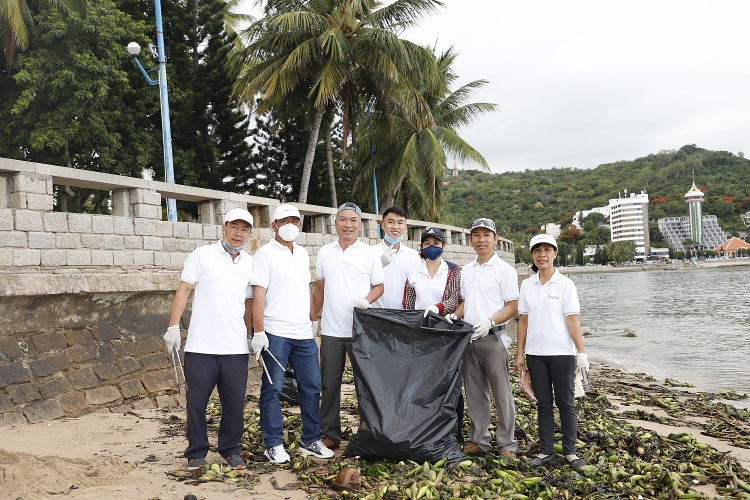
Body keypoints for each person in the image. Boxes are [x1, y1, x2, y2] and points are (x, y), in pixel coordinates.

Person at [164, 208, 254, 472]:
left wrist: (251, 334)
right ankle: (196, 452)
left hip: (235, 348)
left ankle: (230, 450)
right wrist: (172, 327)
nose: (239, 233)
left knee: (235, 404)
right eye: (234, 227)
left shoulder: (250, 262)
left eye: (244, 229)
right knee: (196, 403)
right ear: (223, 228)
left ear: (249, 234)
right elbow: (184, 291)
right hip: (201, 346)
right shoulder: (201, 255)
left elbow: (249, 303)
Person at [250, 204, 335, 463]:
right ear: (274, 225)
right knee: (272, 389)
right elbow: (258, 293)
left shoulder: (302, 253)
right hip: (275, 332)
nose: (290, 225)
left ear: (300, 225)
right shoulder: (264, 254)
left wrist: (312, 320)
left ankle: (311, 439)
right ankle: (273, 443)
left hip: (302, 334)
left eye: (295, 221)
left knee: (312, 386)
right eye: (284, 220)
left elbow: (305, 289)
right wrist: (259, 331)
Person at [310, 202, 385, 450]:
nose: (348, 225)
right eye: (343, 220)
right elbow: (319, 289)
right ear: (336, 223)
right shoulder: (325, 252)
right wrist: (311, 318)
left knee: (365, 384)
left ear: (360, 225)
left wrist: (367, 300)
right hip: (331, 330)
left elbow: (379, 287)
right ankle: (330, 433)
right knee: (329, 384)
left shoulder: (370, 253)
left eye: (353, 220)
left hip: (361, 331)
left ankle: (367, 431)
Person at [513, 234, 588, 470]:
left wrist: (581, 353)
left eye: (547, 250)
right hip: (536, 354)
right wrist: (519, 354)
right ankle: (546, 451)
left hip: (562, 353)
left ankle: (570, 452)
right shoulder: (527, 284)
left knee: (566, 403)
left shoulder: (565, 284)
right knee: (543, 404)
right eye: (537, 250)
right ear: (532, 255)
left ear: (555, 254)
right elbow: (523, 321)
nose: (542, 254)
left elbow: (572, 320)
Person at [458, 217, 519, 459]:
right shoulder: (466, 270)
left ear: (495, 238)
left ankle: (507, 443)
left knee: (501, 392)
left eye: (486, 235)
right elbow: (465, 303)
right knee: (474, 392)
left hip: (492, 338)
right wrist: (454, 316)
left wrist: (491, 321)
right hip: (469, 337)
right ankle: (479, 440)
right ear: (471, 240)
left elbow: (512, 305)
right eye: (476, 235)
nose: (481, 240)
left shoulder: (505, 270)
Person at [403, 227, 464, 443]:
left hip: (446, 334)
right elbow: (408, 304)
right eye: (427, 244)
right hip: (420, 335)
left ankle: (455, 432)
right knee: (422, 383)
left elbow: (453, 298)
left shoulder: (454, 271)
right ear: (421, 246)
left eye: (436, 244)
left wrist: (439, 308)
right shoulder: (414, 272)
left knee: (449, 382)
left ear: (444, 246)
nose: (431, 248)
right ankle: (424, 430)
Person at [371, 206, 420, 309]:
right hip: (378, 315)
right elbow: (362, 282)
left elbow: (418, 286)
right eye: (391, 222)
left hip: (405, 316)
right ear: (383, 225)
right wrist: (379, 264)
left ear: (405, 226)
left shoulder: (413, 255)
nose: (395, 226)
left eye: (400, 222)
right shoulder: (371, 252)